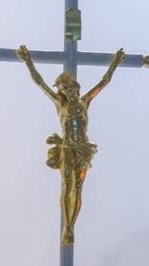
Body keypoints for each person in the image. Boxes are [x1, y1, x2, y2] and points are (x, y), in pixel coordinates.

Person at [16, 45, 125, 246]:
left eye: (69, 87)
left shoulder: (84, 102)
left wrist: (115, 63)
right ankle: (68, 228)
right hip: (67, 149)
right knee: (67, 186)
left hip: (83, 150)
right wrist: (28, 61)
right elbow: (40, 83)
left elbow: (104, 82)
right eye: (63, 89)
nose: (67, 91)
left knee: (77, 186)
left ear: (76, 87)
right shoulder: (61, 105)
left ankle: (71, 224)